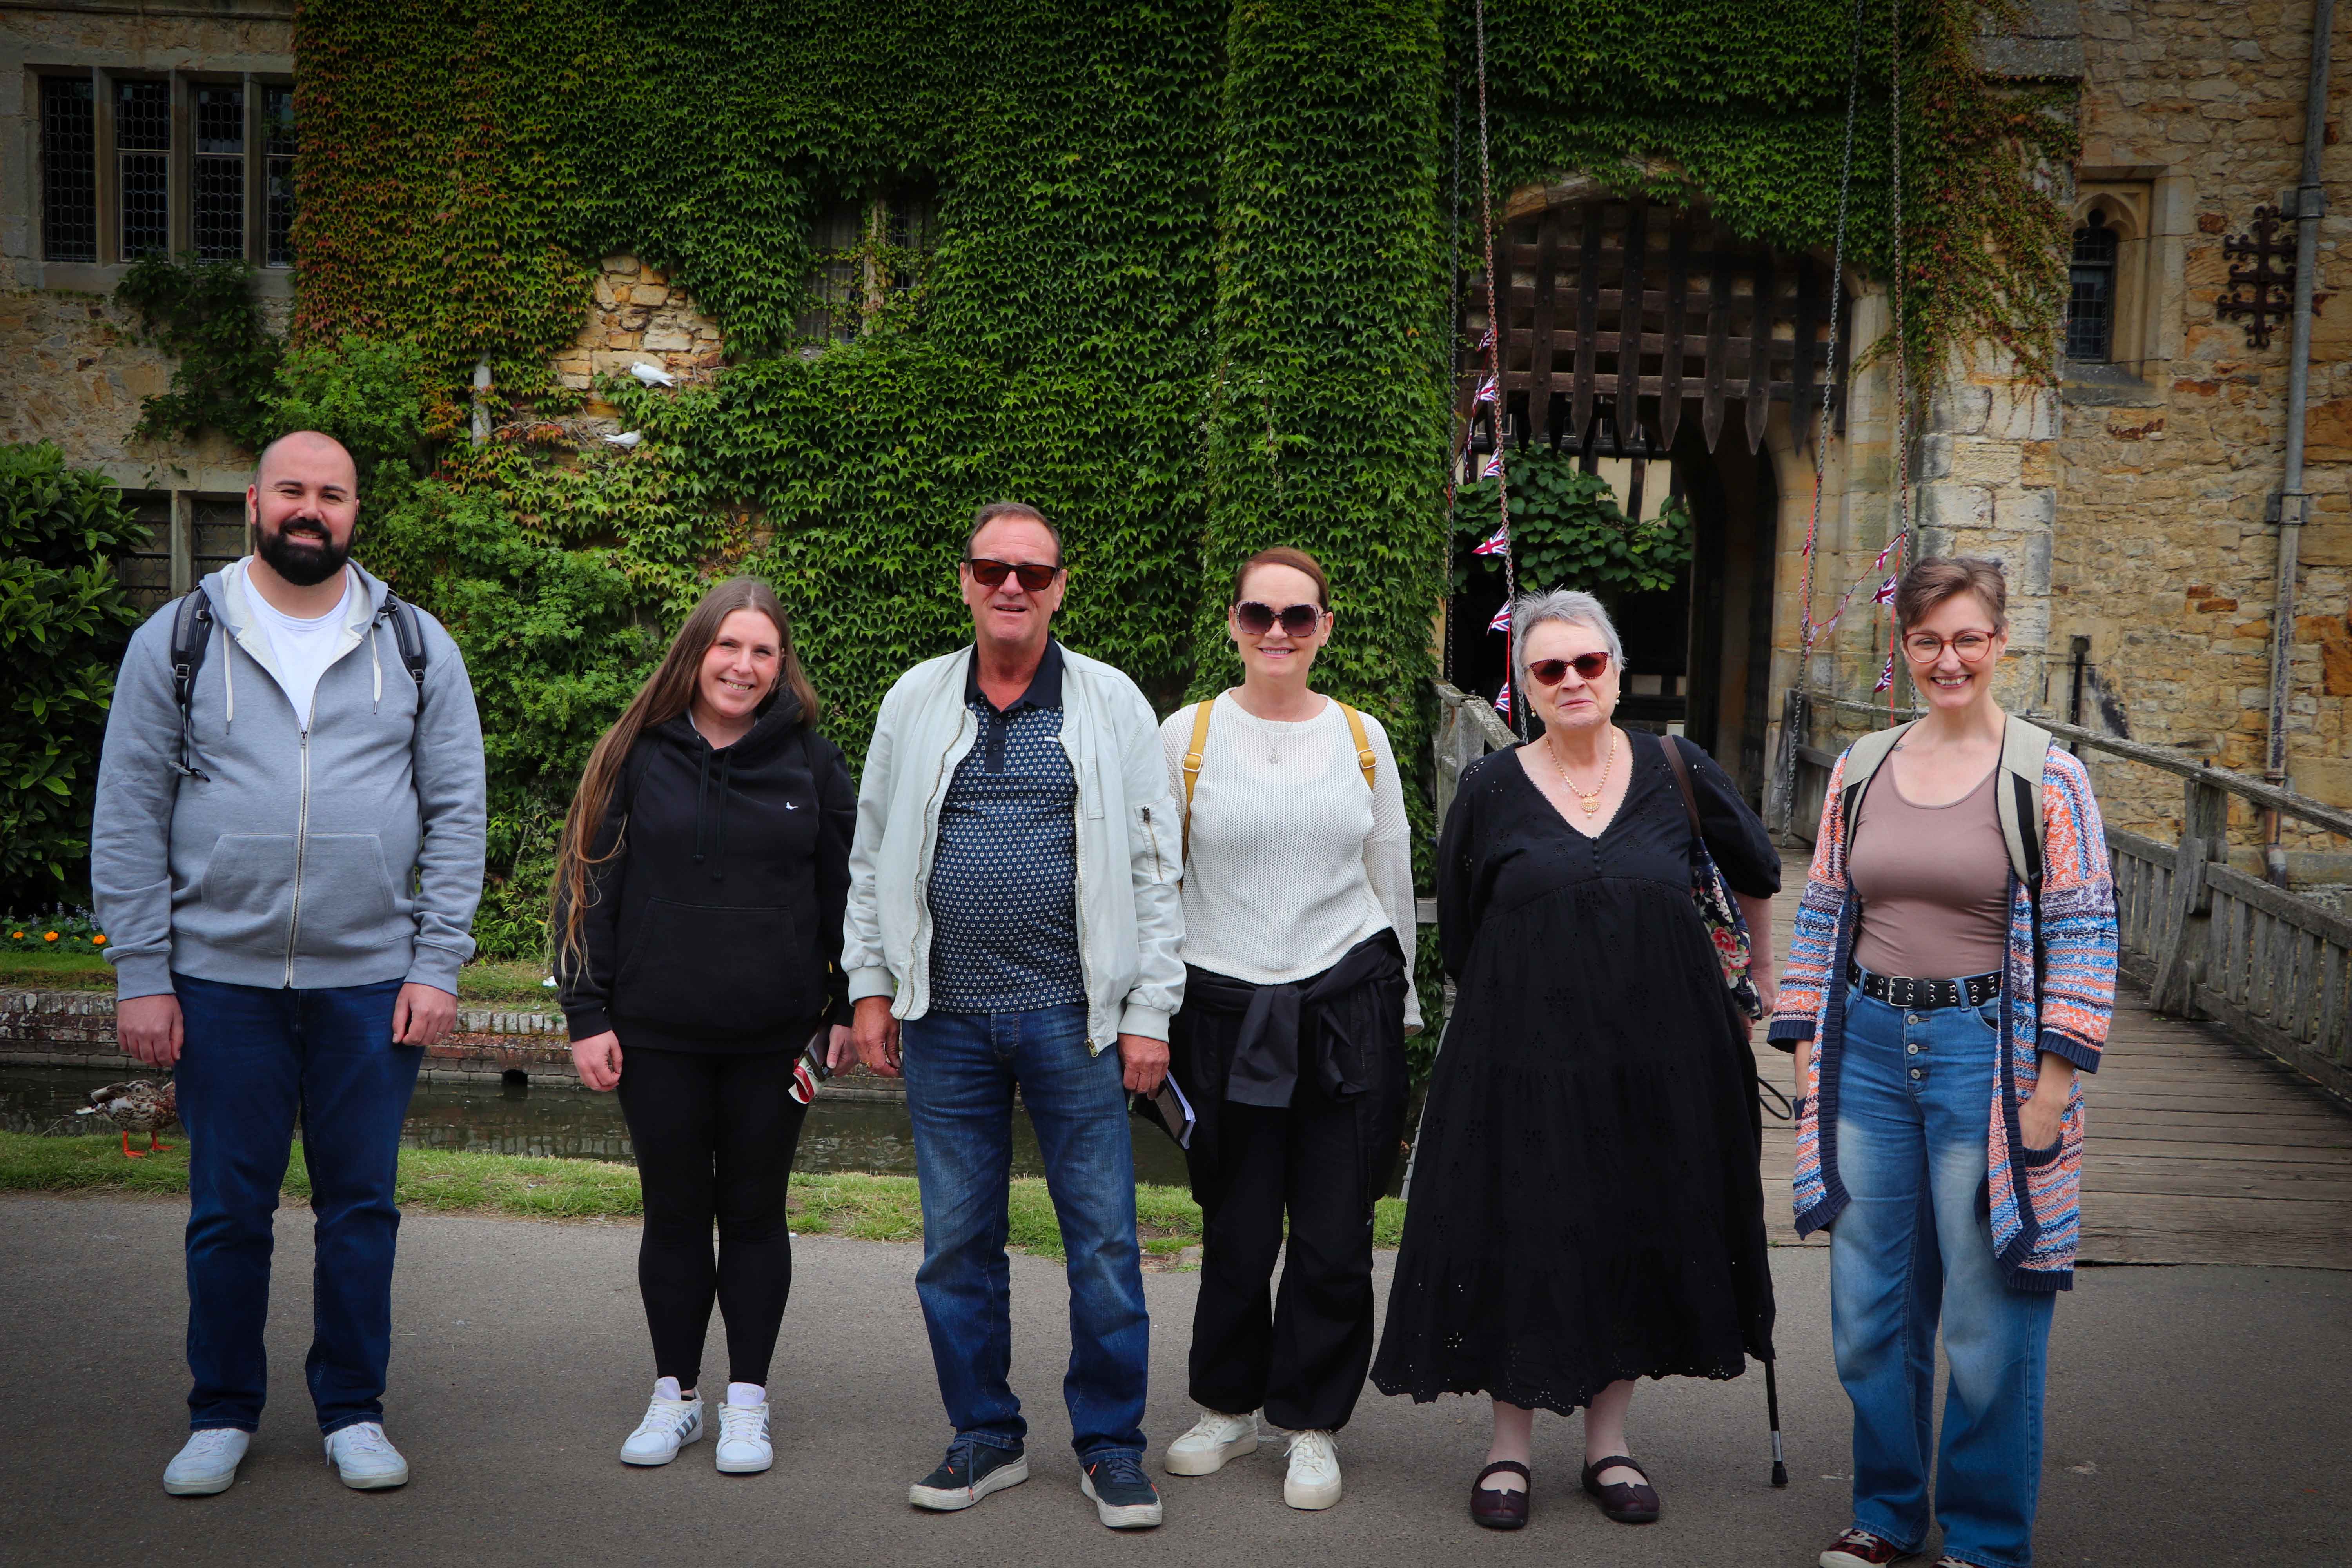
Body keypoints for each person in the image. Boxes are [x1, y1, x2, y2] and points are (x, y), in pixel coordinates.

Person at [91, 430, 487, 1497]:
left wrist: (438, 962)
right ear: (255, 503)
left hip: (370, 983)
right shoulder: (177, 639)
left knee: (362, 1207)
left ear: (357, 511)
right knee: (229, 1212)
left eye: (335, 494)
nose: (313, 509)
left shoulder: (414, 643)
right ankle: (221, 1412)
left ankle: (353, 1410)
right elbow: (128, 813)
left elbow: (457, 813)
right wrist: (142, 973)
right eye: (293, 491)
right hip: (221, 984)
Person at [1371, 588, 1780, 1532]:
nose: (1571, 681)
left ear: (1617, 670)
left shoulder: (1676, 766)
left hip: (1662, 1054)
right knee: (1521, 1223)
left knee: (1634, 1219)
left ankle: (1609, 1440)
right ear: (1524, 685)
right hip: (1520, 1054)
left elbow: (1756, 869)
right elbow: (1465, 932)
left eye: (1586, 663)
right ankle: (1507, 1445)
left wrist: (1757, 981)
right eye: (1548, 668)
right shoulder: (1489, 788)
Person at [840, 500, 1184, 1530]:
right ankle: (984, 1436)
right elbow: (873, 854)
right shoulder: (914, 699)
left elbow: (1155, 871)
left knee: (1106, 1246)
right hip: (944, 1018)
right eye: (994, 568)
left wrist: (1149, 1012)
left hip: (1077, 1021)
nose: (1012, 587)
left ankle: (1111, 1447)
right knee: (957, 1245)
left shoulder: (1110, 702)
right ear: (965, 580)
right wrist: (869, 984)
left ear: (1060, 588)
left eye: (1034, 573)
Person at [1772, 557, 2117, 1568]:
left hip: (1989, 1059)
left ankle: (1985, 1536)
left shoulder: (2048, 775)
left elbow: (2087, 927)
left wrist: (2055, 1083)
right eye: (1927, 640)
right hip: (1869, 1053)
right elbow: (1830, 906)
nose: (1947, 657)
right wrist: (1807, 1045)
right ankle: (1886, 1512)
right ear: (1905, 649)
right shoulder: (1862, 766)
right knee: (1869, 1311)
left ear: (2001, 640)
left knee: (1985, 1310)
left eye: (1967, 637)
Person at [552, 577, 854, 1477]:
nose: (745, 665)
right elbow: (588, 888)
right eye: (730, 646)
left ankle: (747, 1403)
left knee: (755, 1215)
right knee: (676, 1214)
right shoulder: (636, 755)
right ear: (697, 651)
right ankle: (675, 1395)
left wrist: (846, 1006)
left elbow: (848, 895)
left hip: (775, 1037)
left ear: (780, 664)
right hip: (656, 1034)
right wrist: (586, 1011)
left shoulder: (813, 763)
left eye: (763, 650)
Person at [1154, 547, 1417, 1512]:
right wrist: (1149, 1010)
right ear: (1233, 622)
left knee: (1336, 1230)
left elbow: (1389, 871)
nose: (1278, 631)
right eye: (1260, 614)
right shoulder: (1186, 732)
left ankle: (1311, 1421)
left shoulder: (1361, 735)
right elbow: (1154, 882)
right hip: (1220, 1008)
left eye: (1298, 616)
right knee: (1236, 1223)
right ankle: (1228, 1403)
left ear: (1324, 628)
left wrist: (1406, 1011)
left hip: (1345, 1006)